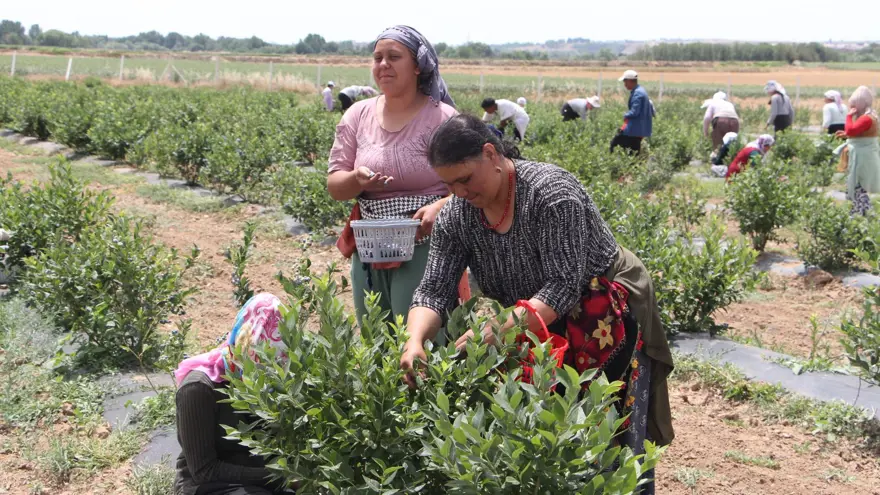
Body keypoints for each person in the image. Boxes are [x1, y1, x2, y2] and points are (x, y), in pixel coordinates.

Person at [401, 114, 674, 494]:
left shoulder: (549, 193)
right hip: (533, 314)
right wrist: (415, 341)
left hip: (602, 306)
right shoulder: (458, 216)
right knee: (546, 424)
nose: (459, 192)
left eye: (465, 179)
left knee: (608, 421)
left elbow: (563, 286)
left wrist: (495, 331)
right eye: (448, 184)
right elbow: (433, 289)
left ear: (491, 153)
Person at [328, 25, 467, 329]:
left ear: (418, 66)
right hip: (370, 245)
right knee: (375, 336)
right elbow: (335, 185)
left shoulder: (442, 118)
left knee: (420, 336)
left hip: (427, 243)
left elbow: (472, 183)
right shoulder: (357, 115)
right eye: (377, 58)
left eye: (394, 56)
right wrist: (356, 180)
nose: (383, 65)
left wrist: (440, 206)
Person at [173, 294, 295, 495]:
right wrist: (280, 477)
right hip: (208, 484)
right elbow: (204, 471)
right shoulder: (198, 389)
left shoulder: (274, 385)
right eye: (262, 362)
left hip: (258, 475)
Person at [835, 86, 880, 216]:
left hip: (862, 156)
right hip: (865, 153)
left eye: (854, 106)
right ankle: (861, 210)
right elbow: (859, 133)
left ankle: (860, 211)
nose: (852, 109)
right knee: (859, 184)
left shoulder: (866, 118)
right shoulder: (870, 116)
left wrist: (848, 117)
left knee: (857, 184)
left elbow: (851, 130)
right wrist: (846, 135)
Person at [611, 70, 652, 154]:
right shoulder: (640, 91)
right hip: (639, 130)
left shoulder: (638, 93)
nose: (624, 84)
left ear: (630, 80)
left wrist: (625, 115)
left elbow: (634, 112)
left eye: (625, 81)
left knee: (614, 145)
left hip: (633, 130)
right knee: (633, 153)